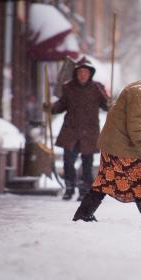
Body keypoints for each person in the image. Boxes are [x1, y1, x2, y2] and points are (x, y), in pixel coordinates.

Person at [72, 72, 141, 227]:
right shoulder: (140, 94)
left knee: (105, 180)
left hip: (119, 141)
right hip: (119, 142)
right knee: (139, 176)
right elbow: (137, 130)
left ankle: (83, 214)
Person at [44, 59, 109, 201]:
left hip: (89, 132)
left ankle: (84, 191)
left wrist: (111, 104)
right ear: (76, 73)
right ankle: (69, 189)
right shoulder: (68, 88)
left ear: (90, 73)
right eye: (80, 72)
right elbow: (61, 105)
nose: (83, 75)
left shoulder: (97, 88)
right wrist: (51, 107)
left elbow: (106, 105)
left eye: (85, 72)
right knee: (68, 161)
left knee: (87, 164)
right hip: (71, 131)